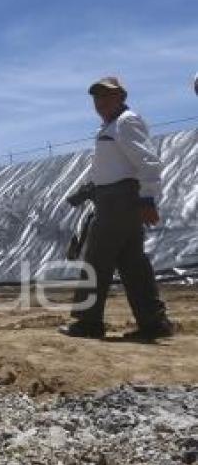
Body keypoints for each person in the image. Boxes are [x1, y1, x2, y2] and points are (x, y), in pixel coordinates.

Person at [58, 76, 174, 340]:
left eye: (106, 96)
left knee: (97, 259)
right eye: (97, 98)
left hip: (119, 201)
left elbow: (148, 163)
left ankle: (88, 322)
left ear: (121, 96)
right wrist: (91, 189)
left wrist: (148, 199)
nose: (100, 102)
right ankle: (153, 323)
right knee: (132, 263)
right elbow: (114, 167)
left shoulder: (125, 122)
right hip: (116, 199)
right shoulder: (111, 126)